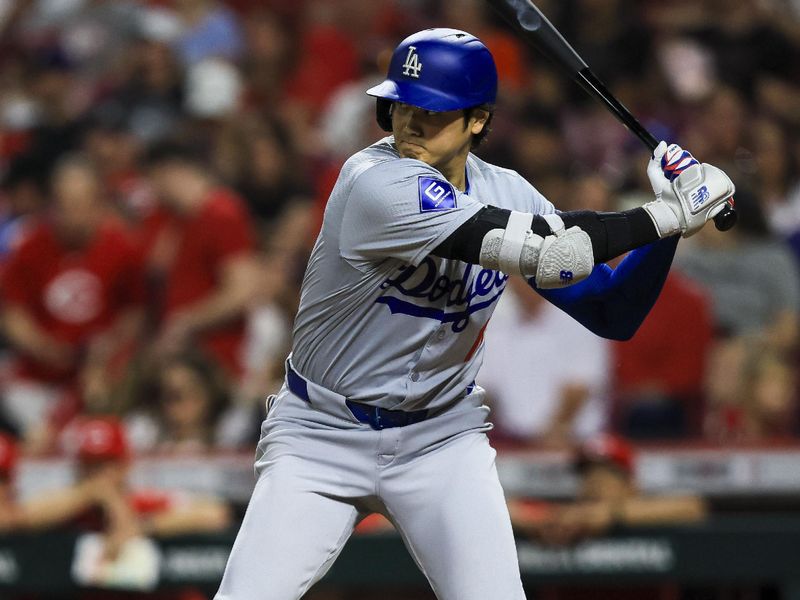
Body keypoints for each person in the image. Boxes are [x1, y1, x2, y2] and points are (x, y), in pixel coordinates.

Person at [215, 29, 734, 600]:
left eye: (432, 112)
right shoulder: (372, 182)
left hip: (441, 437)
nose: (410, 124)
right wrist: (665, 214)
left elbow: (613, 313)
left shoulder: (507, 190)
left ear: (478, 120)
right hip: (321, 434)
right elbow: (558, 253)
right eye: (401, 106)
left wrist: (672, 230)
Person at [509, 434, 707, 546]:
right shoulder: (570, 519)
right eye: (588, 475)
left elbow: (693, 507)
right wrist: (547, 520)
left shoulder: (643, 513)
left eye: (605, 475)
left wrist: (612, 515)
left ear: (629, 485)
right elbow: (506, 509)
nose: (594, 483)